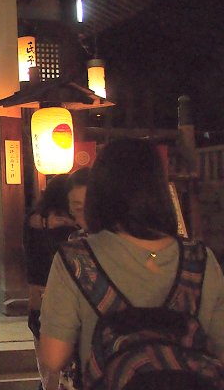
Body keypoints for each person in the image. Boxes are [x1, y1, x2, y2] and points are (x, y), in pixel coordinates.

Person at [39, 138, 224, 389]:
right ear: (160, 189)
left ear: (99, 192)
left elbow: (53, 356)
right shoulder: (199, 259)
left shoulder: (77, 260)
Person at [23, 174, 79, 390]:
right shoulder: (67, 229)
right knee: (60, 372)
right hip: (57, 299)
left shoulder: (34, 220)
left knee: (48, 371)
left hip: (37, 299)